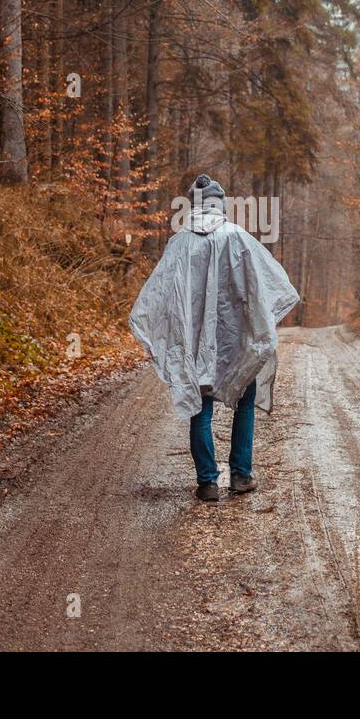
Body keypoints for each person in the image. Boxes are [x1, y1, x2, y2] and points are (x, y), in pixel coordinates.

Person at [129, 174, 300, 502]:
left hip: (195, 344)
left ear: (194, 206)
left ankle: (207, 482)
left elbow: (160, 293)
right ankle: (240, 475)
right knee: (245, 401)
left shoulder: (180, 241)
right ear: (221, 205)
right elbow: (266, 284)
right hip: (234, 342)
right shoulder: (237, 237)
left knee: (200, 405)